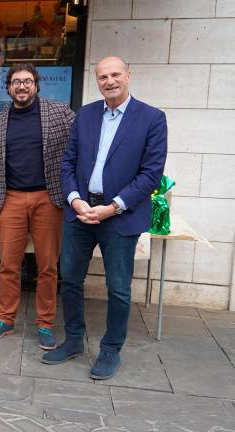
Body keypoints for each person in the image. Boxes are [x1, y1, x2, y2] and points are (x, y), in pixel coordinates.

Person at [42, 56, 167, 380]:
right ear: (96, 81)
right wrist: (75, 199)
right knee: (69, 278)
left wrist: (114, 206)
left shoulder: (152, 119)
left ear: (128, 75)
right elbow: (67, 163)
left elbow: (151, 175)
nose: (109, 81)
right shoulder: (85, 115)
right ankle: (73, 340)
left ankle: (111, 349)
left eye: (115, 75)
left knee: (118, 288)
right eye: (102, 77)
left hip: (120, 216)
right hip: (81, 212)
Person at [0, 64, 75, 349]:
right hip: (11, 198)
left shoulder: (59, 113)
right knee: (9, 264)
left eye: (27, 81)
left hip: (48, 199)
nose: (21, 87)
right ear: (8, 87)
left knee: (47, 266)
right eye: (16, 82)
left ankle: (45, 323)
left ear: (36, 84)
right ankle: (5, 318)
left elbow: (80, 146)